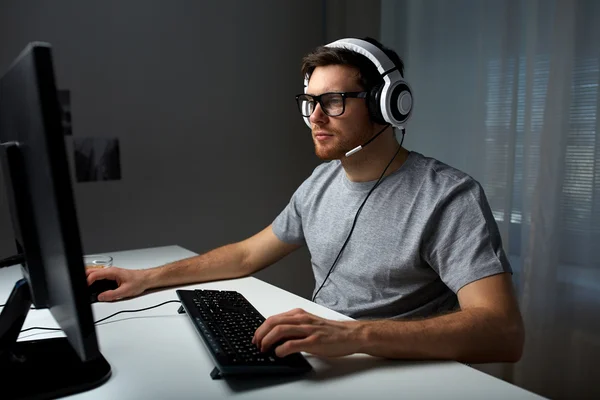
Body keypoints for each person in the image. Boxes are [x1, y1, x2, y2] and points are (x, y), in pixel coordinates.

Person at [87, 37, 524, 364]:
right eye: (310, 102)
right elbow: (245, 254)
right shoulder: (320, 182)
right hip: (324, 359)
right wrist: (146, 278)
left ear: (387, 105)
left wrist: (355, 336)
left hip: (394, 373)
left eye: (332, 101)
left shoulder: (448, 196)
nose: (314, 117)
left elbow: (503, 332)